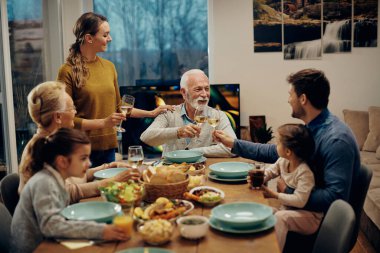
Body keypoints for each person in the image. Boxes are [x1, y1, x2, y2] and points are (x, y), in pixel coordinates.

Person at [214, 69, 360, 246]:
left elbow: (334, 199)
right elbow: (274, 152)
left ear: (303, 99)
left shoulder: (336, 140)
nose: (288, 100)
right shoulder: (312, 129)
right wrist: (233, 143)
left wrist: (286, 190)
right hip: (298, 209)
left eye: (291, 95)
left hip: (320, 226)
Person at [57, 12, 173, 167]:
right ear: (89, 38)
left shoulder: (109, 67)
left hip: (109, 147)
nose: (109, 39)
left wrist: (151, 113)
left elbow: (119, 107)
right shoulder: (67, 71)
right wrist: (103, 123)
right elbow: (65, 119)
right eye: (105, 35)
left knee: (111, 190)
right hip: (80, 149)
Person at [18, 81, 139, 203]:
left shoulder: (54, 141)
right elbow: (68, 192)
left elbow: (75, 179)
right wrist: (113, 181)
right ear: (58, 117)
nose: (75, 112)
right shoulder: (41, 150)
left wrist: (109, 166)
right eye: (72, 108)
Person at [11, 128, 129, 253]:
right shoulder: (45, 183)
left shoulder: (55, 178)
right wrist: (101, 231)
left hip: (52, 242)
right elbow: (52, 226)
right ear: (62, 161)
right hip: (37, 248)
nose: (89, 163)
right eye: (83, 158)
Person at [140, 69, 236, 157]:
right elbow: (146, 137)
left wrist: (193, 152)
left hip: (202, 171)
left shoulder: (218, 115)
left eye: (206, 89)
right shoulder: (169, 113)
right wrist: (178, 132)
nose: (204, 94)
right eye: (198, 89)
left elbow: (233, 148)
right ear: (183, 93)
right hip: (172, 171)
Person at [257, 124, 323, 251]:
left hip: (309, 217)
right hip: (289, 210)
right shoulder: (283, 161)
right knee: (264, 210)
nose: (276, 146)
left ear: (288, 151)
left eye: (278, 143)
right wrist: (260, 178)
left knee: (281, 218)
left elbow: (300, 201)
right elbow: (270, 172)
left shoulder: (304, 172)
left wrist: (274, 195)